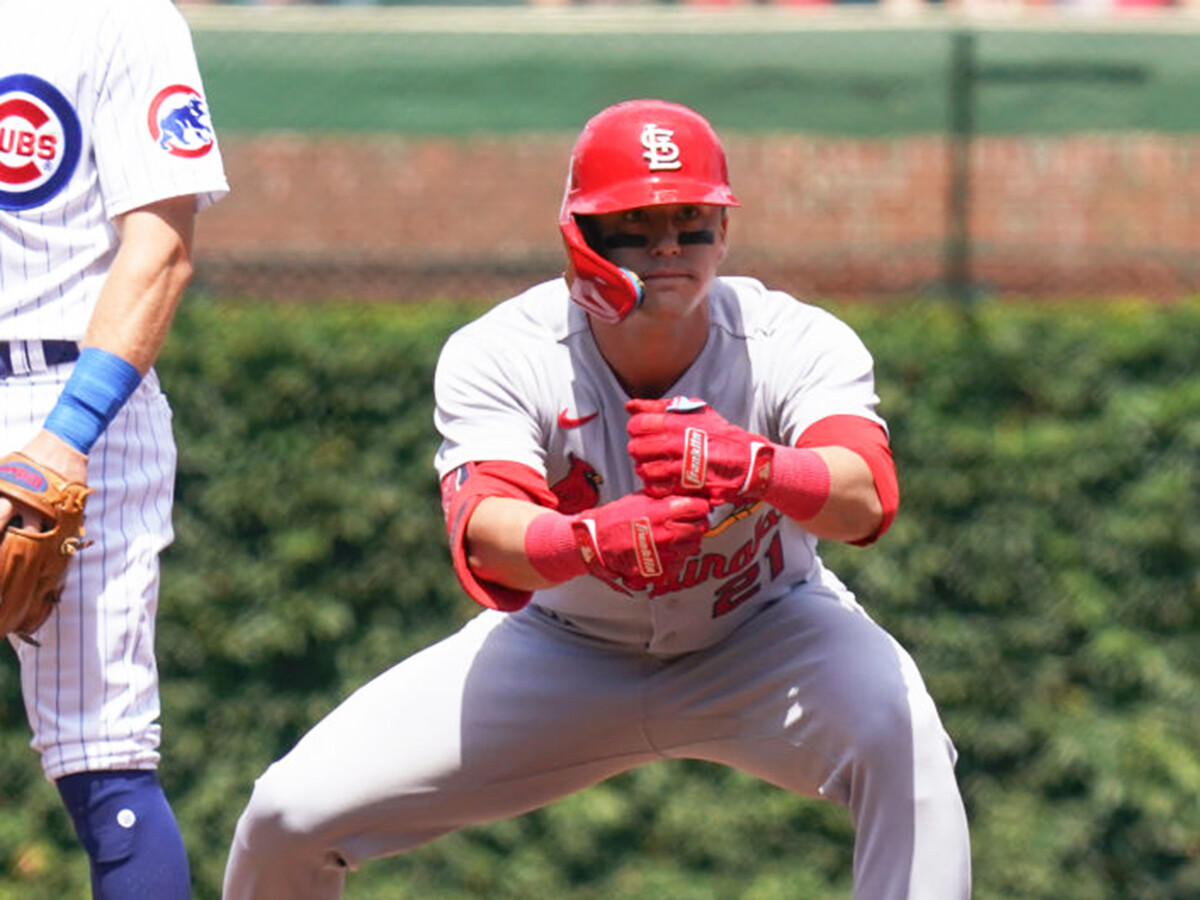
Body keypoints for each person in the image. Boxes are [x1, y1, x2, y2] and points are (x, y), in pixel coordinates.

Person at [222, 99, 970, 900]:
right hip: (564, 646)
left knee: (907, 740)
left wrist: (758, 466)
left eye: (691, 220)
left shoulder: (791, 338)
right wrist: (588, 543)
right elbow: (483, 531)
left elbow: (865, 496)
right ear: (580, 236)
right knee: (288, 815)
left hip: (768, 631)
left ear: (724, 230)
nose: (667, 246)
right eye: (635, 224)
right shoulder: (505, 351)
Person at [0, 1, 228, 897]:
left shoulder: (120, 18)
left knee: (101, 755)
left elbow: (162, 248)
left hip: (68, 390)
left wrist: (67, 437)